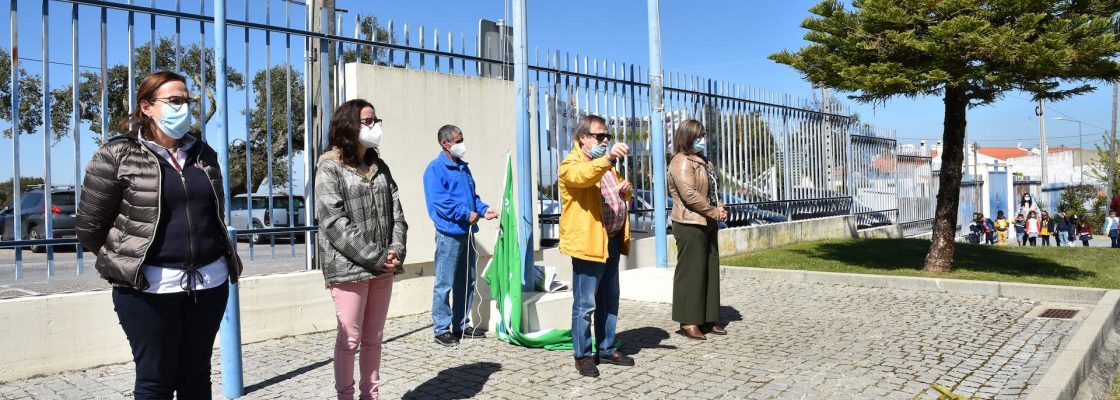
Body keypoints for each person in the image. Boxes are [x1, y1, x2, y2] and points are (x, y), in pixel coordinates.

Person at [75, 71, 243, 399]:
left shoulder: (203, 154)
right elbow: (89, 227)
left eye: (188, 101)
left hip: (209, 286)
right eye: (174, 101)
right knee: (156, 381)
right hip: (148, 290)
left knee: (197, 377)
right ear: (147, 107)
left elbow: (213, 214)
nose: (184, 108)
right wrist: (127, 259)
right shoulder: (118, 154)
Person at [315, 99, 408, 400]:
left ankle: (371, 395)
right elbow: (334, 222)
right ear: (349, 126)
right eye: (367, 121)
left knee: (373, 339)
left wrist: (395, 251)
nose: (374, 126)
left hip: (383, 266)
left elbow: (397, 213)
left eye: (375, 120)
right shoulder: (329, 167)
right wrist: (377, 257)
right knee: (350, 339)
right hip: (349, 268)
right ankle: (346, 396)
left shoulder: (381, 167)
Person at [558, 114, 636, 378]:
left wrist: (626, 190)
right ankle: (582, 355)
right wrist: (609, 158)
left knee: (609, 299)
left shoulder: (606, 166)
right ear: (584, 138)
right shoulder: (571, 164)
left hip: (610, 241)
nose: (604, 140)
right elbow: (584, 177)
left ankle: (606, 347)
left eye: (607, 136)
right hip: (588, 244)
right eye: (599, 136)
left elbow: (618, 190)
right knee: (585, 304)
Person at [423, 124, 498, 347]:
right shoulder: (435, 169)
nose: (461, 145)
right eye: (458, 141)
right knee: (445, 282)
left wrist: (484, 210)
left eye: (462, 139)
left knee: (466, 280)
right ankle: (441, 329)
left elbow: (472, 197)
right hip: (449, 233)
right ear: (445, 143)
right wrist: (467, 213)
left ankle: (461, 325)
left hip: (466, 232)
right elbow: (440, 203)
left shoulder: (463, 168)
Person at [667, 119, 729, 341]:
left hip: (708, 222)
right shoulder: (681, 161)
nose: (703, 140)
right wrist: (713, 212)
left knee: (709, 270)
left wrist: (719, 208)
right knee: (691, 273)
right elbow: (690, 195)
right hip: (689, 222)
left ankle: (709, 317)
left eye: (704, 135)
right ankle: (689, 321)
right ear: (688, 137)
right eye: (698, 136)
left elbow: (711, 189)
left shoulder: (704, 161)